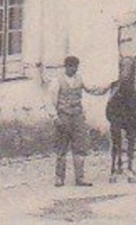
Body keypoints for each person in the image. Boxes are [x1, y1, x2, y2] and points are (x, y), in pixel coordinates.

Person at [45, 55, 111, 188]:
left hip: (78, 117)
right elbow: (50, 102)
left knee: (80, 147)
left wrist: (105, 88)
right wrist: (55, 118)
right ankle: (59, 178)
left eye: (76, 67)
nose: (74, 69)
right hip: (63, 117)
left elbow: (90, 90)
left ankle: (80, 178)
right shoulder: (56, 81)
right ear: (66, 67)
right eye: (71, 67)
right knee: (61, 148)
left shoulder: (79, 79)